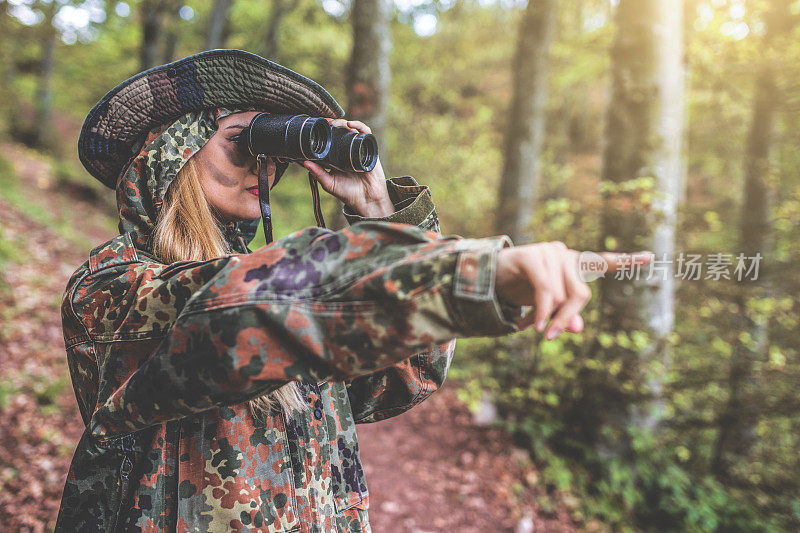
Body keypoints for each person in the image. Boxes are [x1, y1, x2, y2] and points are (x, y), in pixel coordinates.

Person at [56, 49, 652, 532]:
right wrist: (472, 272)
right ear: (172, 152)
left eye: (273, 150)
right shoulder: (111, 289)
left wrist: (378, 212)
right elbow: (252, 306)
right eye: (244, 140)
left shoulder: (276, 289)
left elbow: (397, 381)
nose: (264, 165)